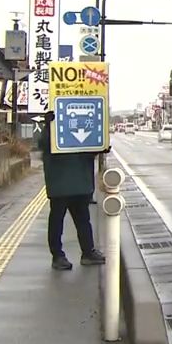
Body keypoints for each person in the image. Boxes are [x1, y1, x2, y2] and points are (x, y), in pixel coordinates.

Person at [39, 111, 108, 270]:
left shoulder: (74, 124)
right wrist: (49, 125)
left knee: (79, 219)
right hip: (64, 183)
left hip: (74, 183)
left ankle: (84, 252)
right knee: (63, 220)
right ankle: (61, 255)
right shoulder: (54, 125)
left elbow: (90, 150)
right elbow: (44, 144)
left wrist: (100, 146)